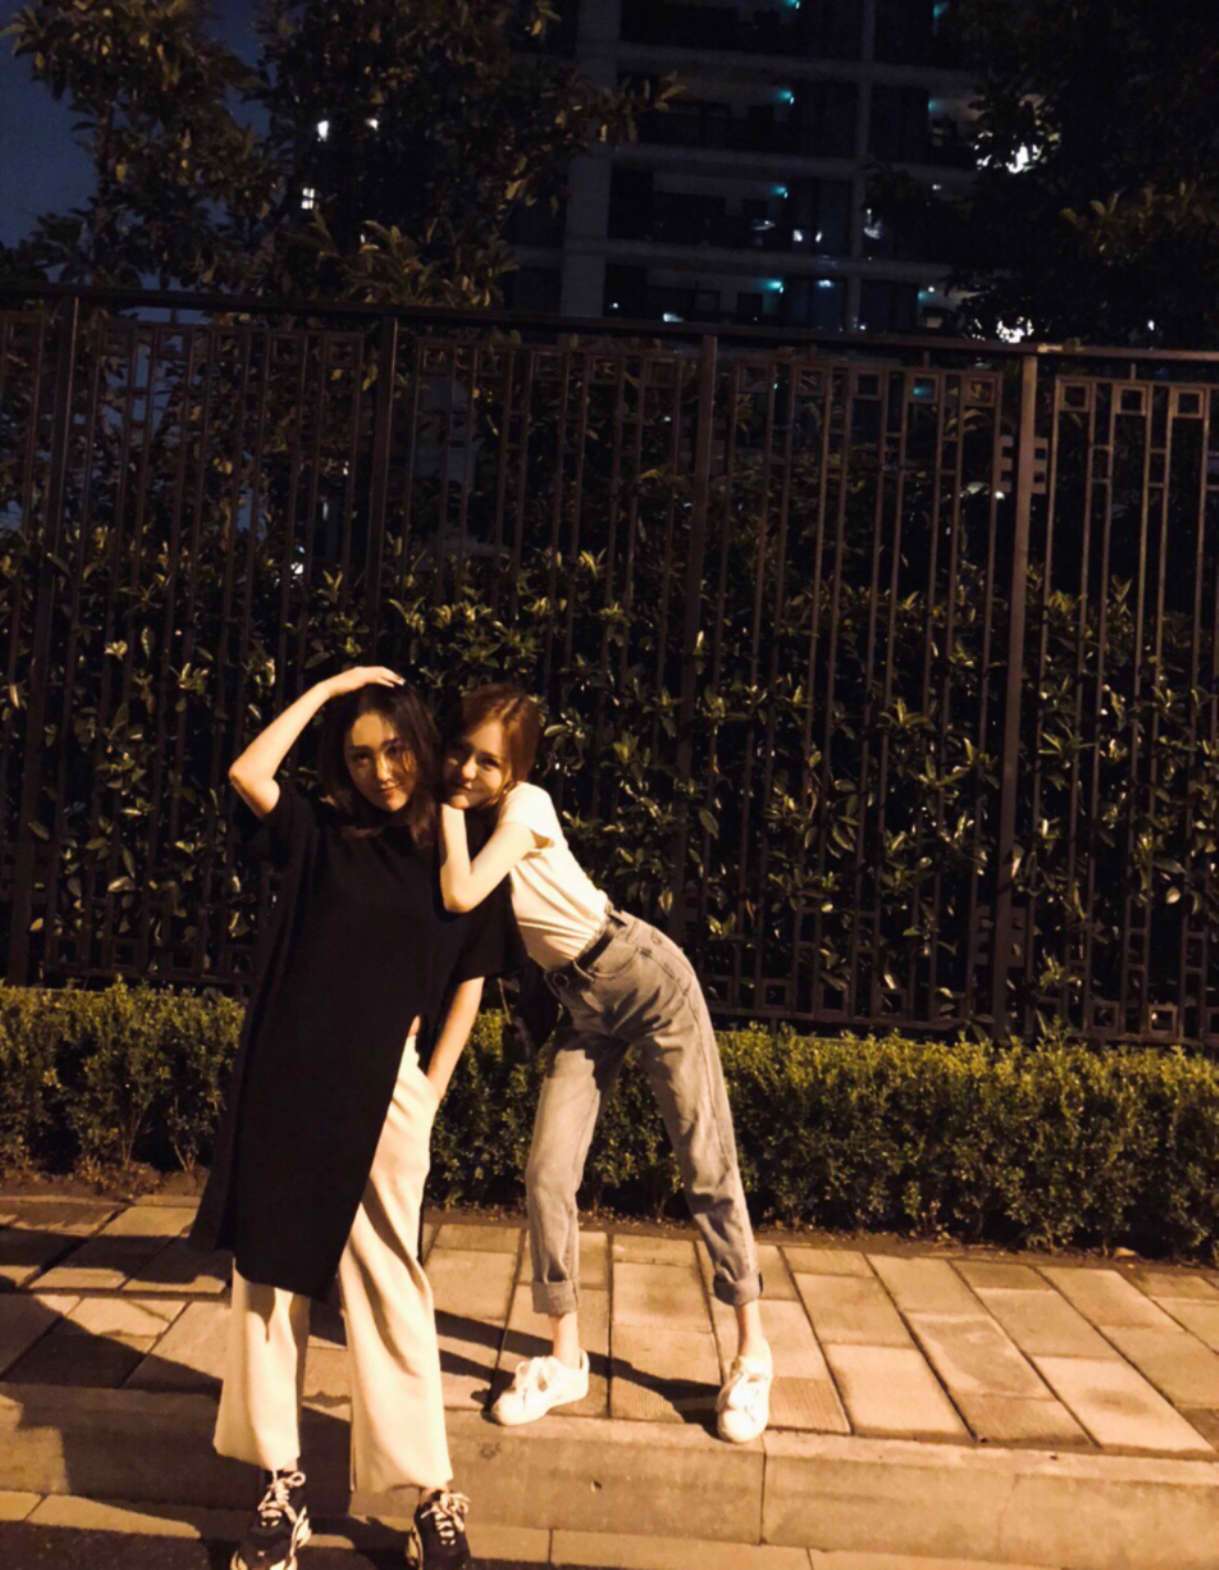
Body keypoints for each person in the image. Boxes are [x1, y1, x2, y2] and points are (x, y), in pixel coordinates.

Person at [189, 667, 518, 1570]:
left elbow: (471, 980)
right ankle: (280, 1484)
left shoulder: (456, 849)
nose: (381, 771)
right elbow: (249, 774)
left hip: (389, 1090)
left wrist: (431, 1088)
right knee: (267, 1285)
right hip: (291, 1081)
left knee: (390, 1284)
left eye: (396, 749)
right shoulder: (323, 833)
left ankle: (429, 1490)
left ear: (422, 741)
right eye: (362, 755)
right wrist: (329, 689)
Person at [437, 684, 773, 1445]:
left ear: (516, 770)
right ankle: (565, 1358)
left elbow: (460, 894)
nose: (468, 771)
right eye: (459, 753)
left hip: (645, 979)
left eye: (488, 762)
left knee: (704, 1162)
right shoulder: (471, 821)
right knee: (546, 1174)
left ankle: (752, 1352)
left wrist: (447, 804)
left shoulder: (524, 809)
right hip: (581, 1003)